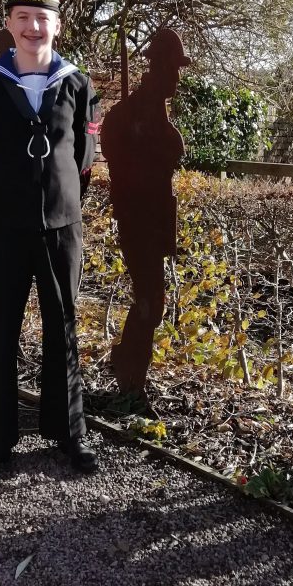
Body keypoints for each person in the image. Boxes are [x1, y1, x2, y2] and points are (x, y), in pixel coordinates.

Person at [0, 0, 100, 482]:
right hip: (5, 229)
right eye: (23, 18)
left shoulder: (78, 84)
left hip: (63, 228)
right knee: (2, 332)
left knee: (63, 328)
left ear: (56, 25)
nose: (33, 27)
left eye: (42, 19)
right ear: (9, 25)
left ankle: (69, 434)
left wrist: (60, 202)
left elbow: (84, 157)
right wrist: (6, 201)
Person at [100, 28, 190, 401]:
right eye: (174, 68)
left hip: (154, 219)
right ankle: (129, 375)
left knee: (153, 299)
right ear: (160, 67)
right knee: (151, 300)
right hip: (138, 220)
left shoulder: (153, 111)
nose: (178, 77)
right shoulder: (131, 114)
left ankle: (129, 367)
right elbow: (113, 150)